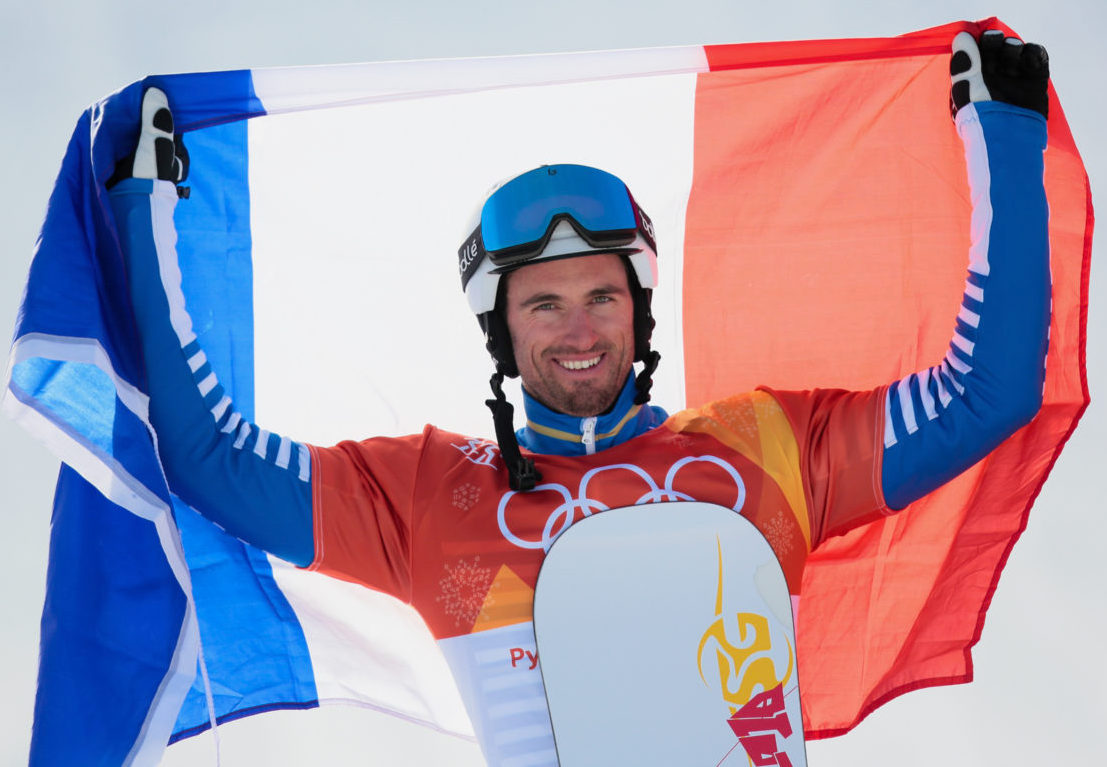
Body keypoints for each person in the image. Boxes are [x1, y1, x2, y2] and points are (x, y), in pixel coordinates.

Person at [105, 29, 1050, 766]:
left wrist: (999, 133)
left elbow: (985, 390)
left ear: (638, 310)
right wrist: (144, 204)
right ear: (501, 330)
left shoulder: (765, 447)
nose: (578, 328)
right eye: (544, 303)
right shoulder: (431, 493)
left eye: (602, 295)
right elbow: (214, 460)